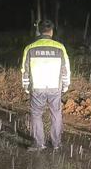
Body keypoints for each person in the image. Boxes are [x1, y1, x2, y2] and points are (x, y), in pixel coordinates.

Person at [21, 20, 70, 151]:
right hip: (55, 86)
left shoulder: (30, 48)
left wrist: (26, 86)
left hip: (37, 86)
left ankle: (39, 143)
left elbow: (25, 70)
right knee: (56, 114)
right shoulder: (60, 47)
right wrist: (65, 85)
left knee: (36, 114)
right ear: (51, 31)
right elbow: (65, 69)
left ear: (39, 31)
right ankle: (56, 144)